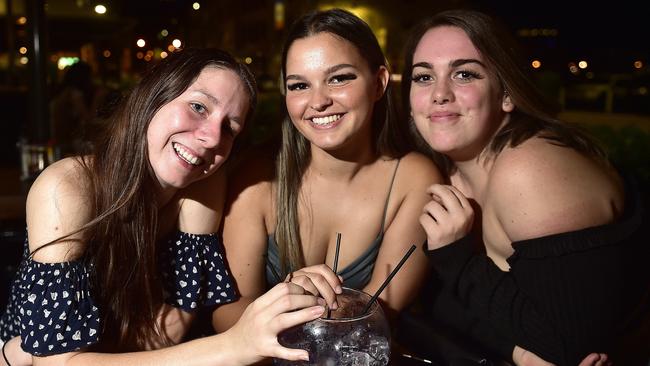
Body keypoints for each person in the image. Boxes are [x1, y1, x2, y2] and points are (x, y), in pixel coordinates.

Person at [0, 48, 328, 366]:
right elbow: (57, 363)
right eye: (199, 107)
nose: (212, 138)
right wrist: (232, 346)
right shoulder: (68, 187)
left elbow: (169, 331)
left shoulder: (203, 182)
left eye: (230, 128)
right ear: (152, 98)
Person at [401, 9, 650, 366]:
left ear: (506, 94)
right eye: (424, 77)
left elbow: (567, 352)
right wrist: (518, 351)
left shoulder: (529, 169)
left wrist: (458, 260)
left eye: (464, 74)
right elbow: (441, 312)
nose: (440, 93)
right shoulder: (443, 171)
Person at [212, 8, 443, 333]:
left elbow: (380, 320)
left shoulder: (413, 180)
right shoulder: (257, 177)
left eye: (339, 78)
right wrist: (285, 298)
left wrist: (312, 305)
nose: (318, 101)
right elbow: (227, 319)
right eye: (299, 85)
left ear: (379, 83)